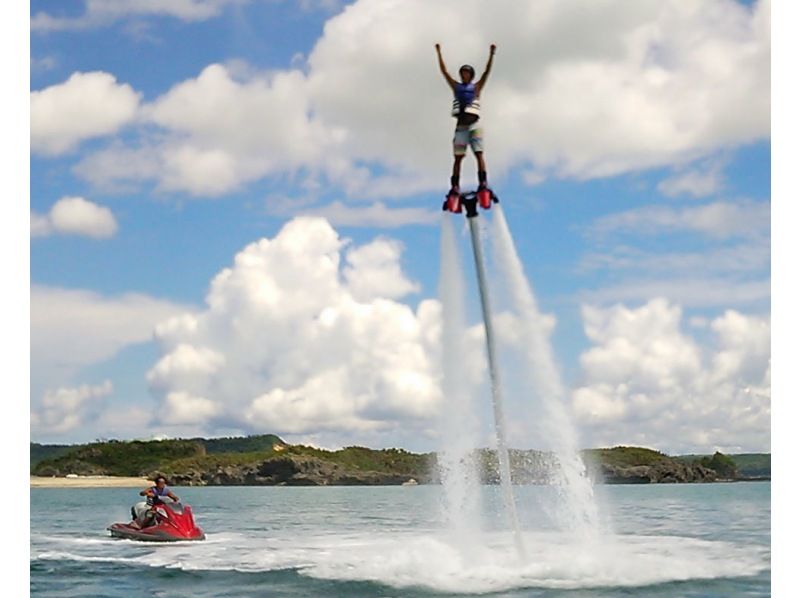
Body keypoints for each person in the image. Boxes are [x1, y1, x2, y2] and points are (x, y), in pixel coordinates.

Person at [435, 43, 496, 196]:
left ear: (471, 75)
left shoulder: (476, 87)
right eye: (462, 73)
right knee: (458, 158)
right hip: (461, 126)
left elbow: (487, 72)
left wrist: (491, 54)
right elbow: (444, 72)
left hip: (474, 124)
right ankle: (455, 186)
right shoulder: (456, 87)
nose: (464, 75)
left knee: (479, 153)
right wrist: (439, 52)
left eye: (467, 73)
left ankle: (483, 182)